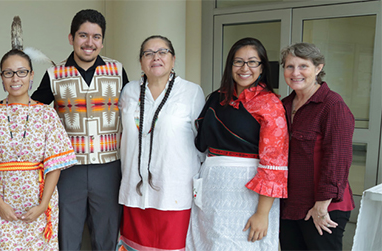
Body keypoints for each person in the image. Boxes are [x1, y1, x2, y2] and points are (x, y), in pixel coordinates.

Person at [31, 9, 129, 250]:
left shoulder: (117, 70)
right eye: (83, 35)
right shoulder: (54, 74)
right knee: (67, 234)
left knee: (106, 234)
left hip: (109, 167)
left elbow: (132, 112)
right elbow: (33, 112)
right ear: (71, 38)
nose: (89, 42)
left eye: (96, 37)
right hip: (67, 170)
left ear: (102, 40)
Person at [186, 37, 289, 250]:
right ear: (230, 65)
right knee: (210, 243)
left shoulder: (270, 104)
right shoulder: (217, 97)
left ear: (262, 67)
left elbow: (274, 163)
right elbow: (201, 143)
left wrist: (262, 213)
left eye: (252, 62)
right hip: (212, 186)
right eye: (238, 61)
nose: (245, 68)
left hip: (248, 191)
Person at [0, 49, 77, 250]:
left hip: (38, 203)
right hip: (2, 204)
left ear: (31, 75)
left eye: (22, 72)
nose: (15, 78)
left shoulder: (46, 114)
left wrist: (43, 204)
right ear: (1, 77)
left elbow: (54, 165)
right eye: (8, 73)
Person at [117, 35, 205, 251]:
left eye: (162, 52)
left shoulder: (191, 92)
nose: (155, 57)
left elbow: (202, 142)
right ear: (141, 61)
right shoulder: (128, 91)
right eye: (148, 53)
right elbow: (121, 134)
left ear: (173, 59)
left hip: (174, 191)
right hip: (135, 189)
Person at [279, 42, 354, 251]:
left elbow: (338, 158)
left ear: (318, 68)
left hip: (323, 206)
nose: (295, 73)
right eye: (289, 66)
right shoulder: (283, 105)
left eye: (303, 66)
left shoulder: (332, 105)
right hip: (291, 206)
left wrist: (322, 204)